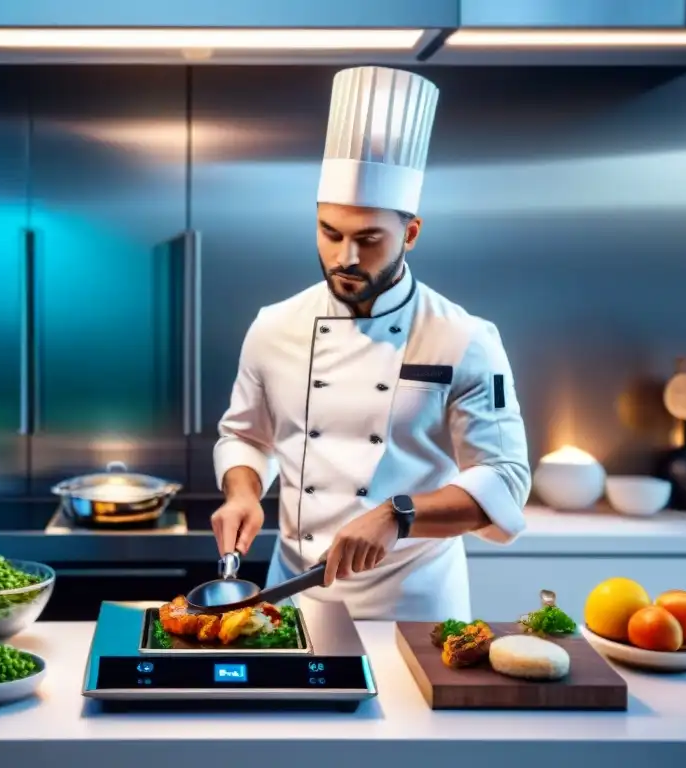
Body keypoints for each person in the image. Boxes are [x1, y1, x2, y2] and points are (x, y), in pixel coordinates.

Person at [210, 66, 531, 622]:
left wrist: (399, 513)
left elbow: (505, 479)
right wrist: (241, 493)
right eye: (330, 233)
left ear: (411, 233)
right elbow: (244, 436)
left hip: (413, 606)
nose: (345, 258)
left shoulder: (465, 338)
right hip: (291, 600)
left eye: (369, 239)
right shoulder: (274, 326)